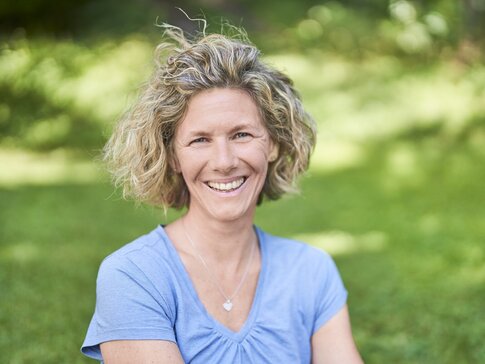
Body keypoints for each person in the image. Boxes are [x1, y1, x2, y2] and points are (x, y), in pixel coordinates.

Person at [81, 23, 363, 364]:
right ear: (171, 156)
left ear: (272, 145)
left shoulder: (312, 272)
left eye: (242, 134)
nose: (225, 161)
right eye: (200, 140)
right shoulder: (133, 275)